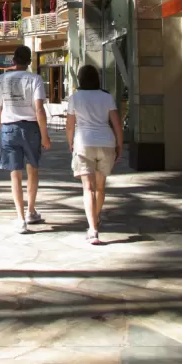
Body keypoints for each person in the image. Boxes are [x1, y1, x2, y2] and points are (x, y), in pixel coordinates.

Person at [0, 45, 51, 233]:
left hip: (9, 128)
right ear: (29, 61)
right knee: (33, 170)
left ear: (13, 60)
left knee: (14, 174)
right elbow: (39, 109)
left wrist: (2, 128)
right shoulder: (35, 80)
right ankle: (30, 211)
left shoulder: (2, 79)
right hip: (31, 128)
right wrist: (45, 134)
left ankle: (20, 218)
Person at [66, 64, 123, 245]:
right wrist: (119, 145)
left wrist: (70, 143)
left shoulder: (75, 98)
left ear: (80, 79)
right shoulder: (106, 97)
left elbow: (70, 125)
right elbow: (116, 124)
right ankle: (96, 219)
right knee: (100, 187)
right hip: (106, 143)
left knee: (88, 188)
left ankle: (93, 229)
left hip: (84, 143)